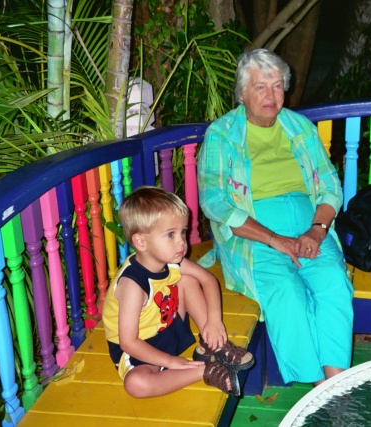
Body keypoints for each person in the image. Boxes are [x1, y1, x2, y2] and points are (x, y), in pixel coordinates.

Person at [197, 48, 354, 386]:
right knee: (287, 293)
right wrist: (274, 239)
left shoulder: (299, 128)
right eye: (260, 87)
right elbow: (214, 200)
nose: (271, 95)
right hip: (253, 237)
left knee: (333, 284)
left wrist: (317, 231)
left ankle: (337, 387)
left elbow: (329, 185)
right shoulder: (222, 134)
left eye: (277, 85)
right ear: (241, 94)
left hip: (310, 230)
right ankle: (319, 388)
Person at [102, 186, 254, 398]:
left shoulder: (171, 261)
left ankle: (214, 344)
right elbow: (129, 342)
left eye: (182, 231)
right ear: (140, 241)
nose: (181, 241)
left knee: (188, 280)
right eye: (170, 234)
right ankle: (204, 370)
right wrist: (170, 362)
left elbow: (208, 280)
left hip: (167, 324)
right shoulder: (133, 285)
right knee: (136, 384)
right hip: (141, 347)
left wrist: (213, 321)